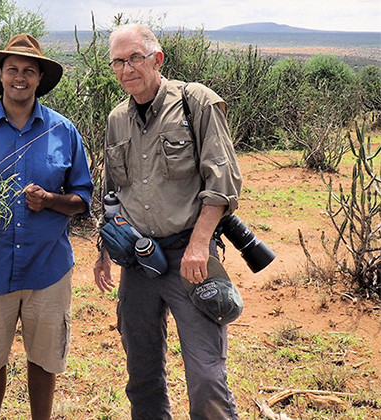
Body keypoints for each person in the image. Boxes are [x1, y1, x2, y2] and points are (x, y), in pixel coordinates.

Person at [93, 24, 243, 419]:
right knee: (141, 374)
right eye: (118, 62)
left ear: (157, 59)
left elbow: (223, 181)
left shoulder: (196, 102)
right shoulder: (117, 119)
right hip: (138, 261)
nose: (127, 69)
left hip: (189, 258)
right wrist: (104, 249)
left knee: (206, 377)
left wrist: (199, 245)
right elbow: (113, 192)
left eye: (135, 59)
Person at [0, 34, 93, 420]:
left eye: (29, 70)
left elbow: (82, 200)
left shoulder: (64, 132)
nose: (20, 77)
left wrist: (50, 201)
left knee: (44, 360)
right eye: (13, 69)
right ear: (1, 75)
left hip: (48, 269)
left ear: (40, 77)